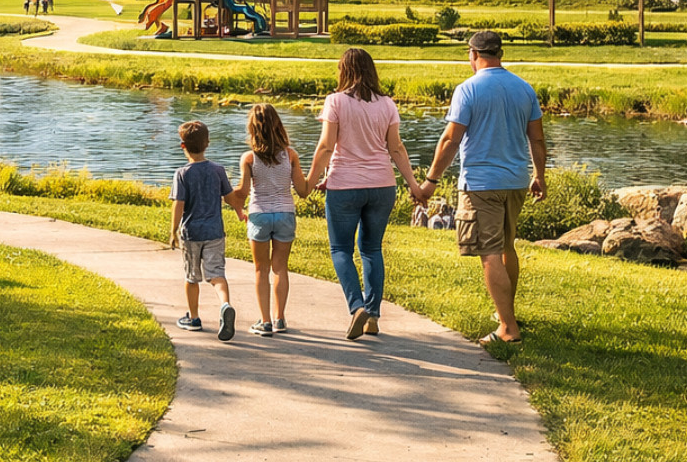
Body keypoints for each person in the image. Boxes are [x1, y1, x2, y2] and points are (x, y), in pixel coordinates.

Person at [417, 30, 547, 346]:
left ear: (473, 54)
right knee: (507, 246)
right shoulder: (524, 88)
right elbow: (538, 139)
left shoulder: (468, 89)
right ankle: (508, 313)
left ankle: (507, 327)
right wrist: (539, 176)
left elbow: (450, 139)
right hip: (516, 181)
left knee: (488, 252)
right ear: (499, 54)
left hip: (480, 185)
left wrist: (431, 181)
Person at [306, 48, 422, 339]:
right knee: (371, 249)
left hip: (345, 186)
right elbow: (396, 148)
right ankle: (372, 317)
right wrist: (414, 185)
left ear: (343, 71)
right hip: (382, 185)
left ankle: (357, 306)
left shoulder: (336, 102)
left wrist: (310, 181)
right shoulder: (387, 104)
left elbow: (326, 147)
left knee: (340, 249)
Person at [233, 104, 307, 336]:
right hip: (285, 213)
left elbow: (243, 192)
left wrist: (227, 195)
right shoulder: (290, 154)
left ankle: (265, 321)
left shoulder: (249, 158)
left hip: (259, 215)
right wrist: (317, 175)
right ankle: (280, 319)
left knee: (260, 270)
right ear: (278, 124)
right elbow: (303, 190)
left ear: (252, 128)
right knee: (280, 268)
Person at [169, 120, 245, 341]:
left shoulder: (182, 173)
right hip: (215, 232)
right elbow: (230, 199)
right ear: (208, 143)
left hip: (191, 234)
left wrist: (173, 231)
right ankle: (225, 306)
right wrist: (241, 206)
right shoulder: (218, 171)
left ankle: (193, 318)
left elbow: (178, 204)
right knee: (217, 274)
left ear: (183, 146)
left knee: (192, 277)